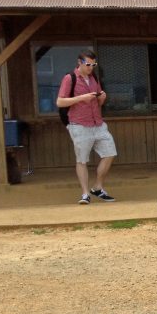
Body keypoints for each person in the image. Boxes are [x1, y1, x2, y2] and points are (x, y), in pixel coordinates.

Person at [56, 50, 117, 204]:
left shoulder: (94, 78)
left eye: (93, 64)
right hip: (79, 124)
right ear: (79, 62)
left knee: (110, 153)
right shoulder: (69, 78)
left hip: (98, 123)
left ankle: (97, 187)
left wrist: (102, 98)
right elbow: (60, 102)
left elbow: (97, 102)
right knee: (82, 160)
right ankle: (85, 194)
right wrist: (81, 98)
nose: (91, 67)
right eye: (88, 64)